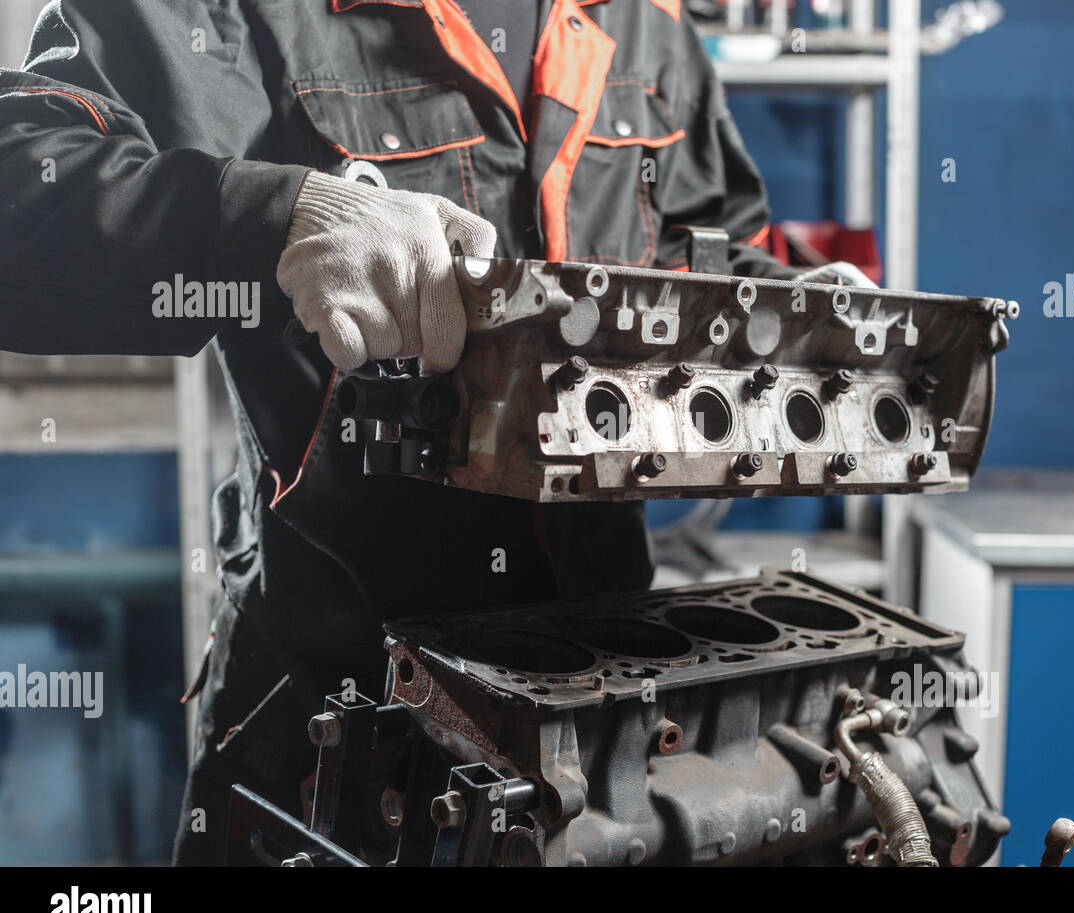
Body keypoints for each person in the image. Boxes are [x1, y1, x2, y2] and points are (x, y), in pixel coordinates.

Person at [0, 0, 812, 864]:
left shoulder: (647, 20)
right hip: (337, 728)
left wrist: (803, 311)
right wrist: (277, 219)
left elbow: (714, 249)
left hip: (615, 725)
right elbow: (25, 185)